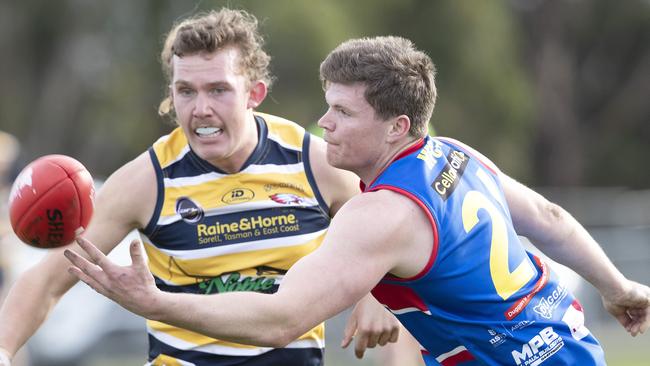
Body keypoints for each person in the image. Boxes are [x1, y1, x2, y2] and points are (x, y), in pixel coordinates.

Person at [64, 36, 650, 365]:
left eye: (343, 112)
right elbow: (547, 218)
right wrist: (616, 285)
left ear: (396, 126)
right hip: (572, 350)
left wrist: (155, 303)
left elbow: (280, 319)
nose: (324, 123)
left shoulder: (380, 214)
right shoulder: (453, 153)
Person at [0, 10, 406, 366]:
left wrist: (381, 295)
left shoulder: (313, 163)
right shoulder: (147, 180)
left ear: (254, 93)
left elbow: (395, 238)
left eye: (218, 89)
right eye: (186, 91)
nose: (201, 108)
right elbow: (47, 279)